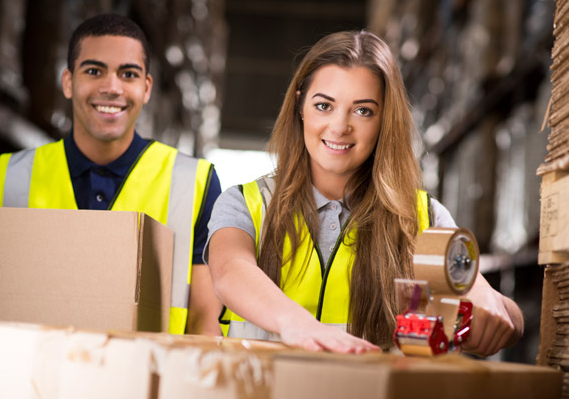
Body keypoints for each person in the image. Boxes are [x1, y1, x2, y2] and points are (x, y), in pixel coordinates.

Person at [205, 30, 524, 356]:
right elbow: (230, 270)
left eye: (363, 111)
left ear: (385, 118)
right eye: (324, 105)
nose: (340, 126)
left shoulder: (422, 218)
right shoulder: (245, 203)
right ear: (300, 105)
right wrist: (297, 324)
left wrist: (487, 301)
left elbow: (504, 314)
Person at [0, 13, 223, 336]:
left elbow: (205, 321)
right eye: (94, 71)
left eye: (128, 74)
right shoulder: (4, 179)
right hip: (30, 382)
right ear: (68, 82)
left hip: (147, 380)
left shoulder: (196, 183)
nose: (111, 87)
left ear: (146, 88)